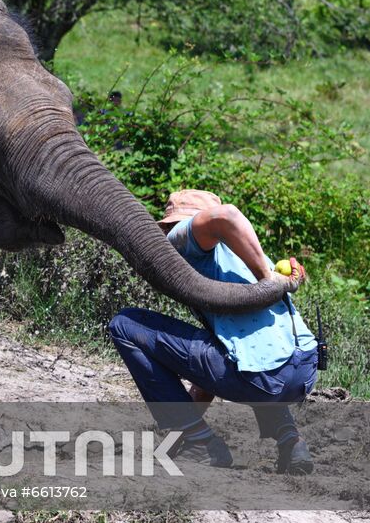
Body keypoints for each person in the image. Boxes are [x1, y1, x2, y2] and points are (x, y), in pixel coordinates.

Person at [107, 189, 318, 474]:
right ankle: (291, 441)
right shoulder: (248, 255)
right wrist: (185, 432)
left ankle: (200, 441)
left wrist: (268, 281)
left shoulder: (185, 239)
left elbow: (225, 215)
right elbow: (211, 371)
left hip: (263, 378)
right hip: (304, 371)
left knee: (125, 325)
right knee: (252, 357)